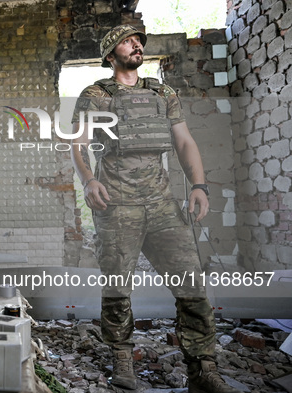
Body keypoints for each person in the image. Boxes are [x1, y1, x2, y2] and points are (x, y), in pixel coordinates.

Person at [70, 25, 242, 393]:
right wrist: (88, 180)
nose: (136, 45)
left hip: (162, 203)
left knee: (191, 284)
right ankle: (122, 359)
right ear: (110, 53)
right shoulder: (96, 95)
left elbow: (184, 141)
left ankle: (203, 370)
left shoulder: (162, 92)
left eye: (138, 41)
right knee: (118, 287)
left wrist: (199, 185)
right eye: (127, 41)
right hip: (116, 204)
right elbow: (79, 143)